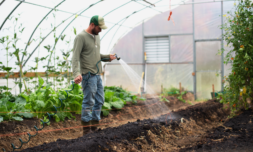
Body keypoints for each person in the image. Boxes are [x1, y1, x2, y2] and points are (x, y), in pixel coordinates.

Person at [72, 15, 116, 135]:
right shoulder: (81, 37)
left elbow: (96, 56)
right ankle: (86, 131)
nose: (101, 30)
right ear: (92, 25)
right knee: (89, 102)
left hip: (97, 75)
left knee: (100, 100)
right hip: (88, 75)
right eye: (99, 28)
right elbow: (75, 57)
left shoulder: (97, 36)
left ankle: (94, 127)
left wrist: (108, 57)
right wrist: (76, 73)